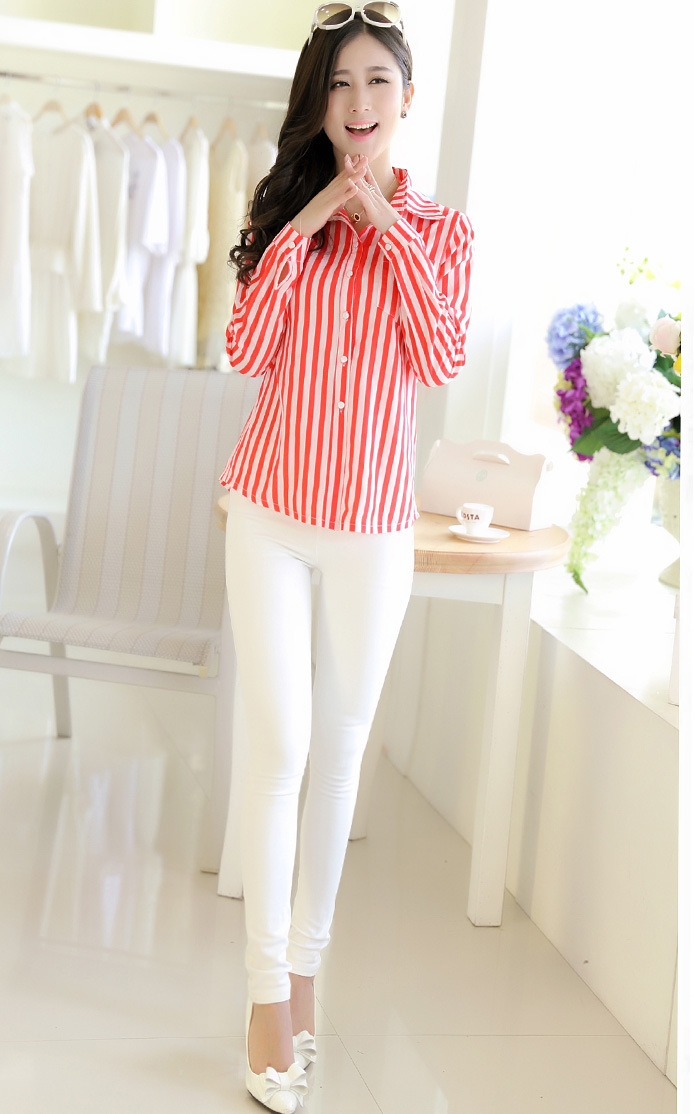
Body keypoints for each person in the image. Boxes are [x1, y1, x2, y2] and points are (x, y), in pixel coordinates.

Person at [220, 4, 473, 1110]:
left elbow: (443, 355)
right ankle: (264, 997)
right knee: (278, 745)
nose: (358, 104)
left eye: (376, 82)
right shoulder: (285, 213)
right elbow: (244, 351)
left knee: (339, 753)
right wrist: (316, 215)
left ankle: (308, 974)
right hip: (269, 509)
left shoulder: (445, 233)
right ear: (317, 101)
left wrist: (384, 224)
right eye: (338, 84)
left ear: (407, 97)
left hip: (372, 524)